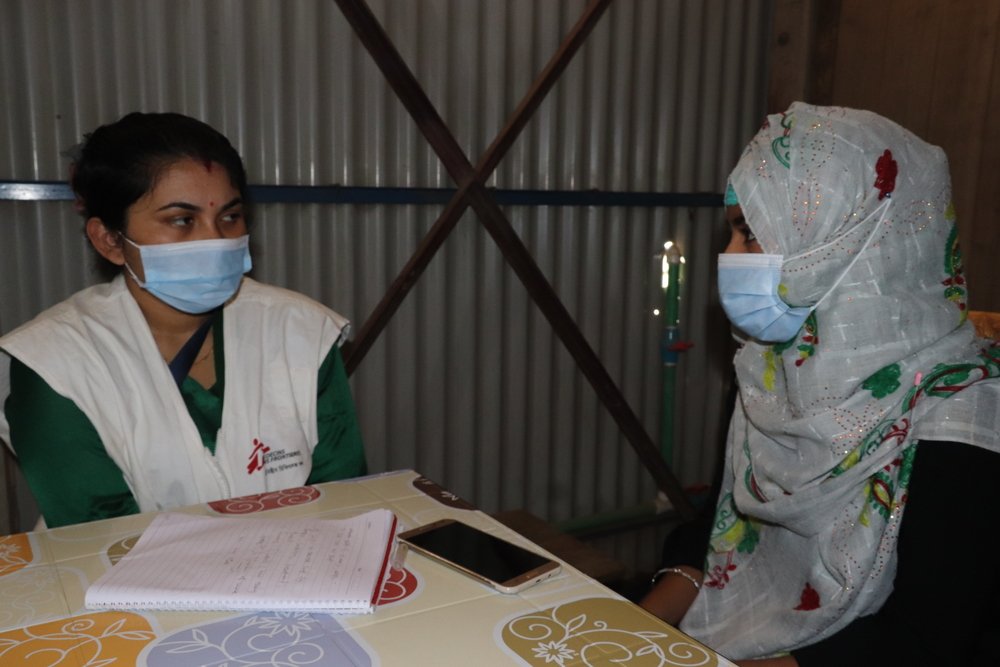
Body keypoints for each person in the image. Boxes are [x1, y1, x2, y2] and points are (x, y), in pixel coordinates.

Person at [639, 102, 1000, 665]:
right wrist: (636, 627)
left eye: (750, 236)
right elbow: (715, 529)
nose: (728, 257)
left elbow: (924, 640)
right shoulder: (771, 369)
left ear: (846, 245)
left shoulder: (963, 416)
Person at [0, 112, 366, 529]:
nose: (214, 240)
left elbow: (340, 499)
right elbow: (98, 534)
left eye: (229, 217)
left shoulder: (301, 330)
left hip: (303, 577)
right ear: (110, 240)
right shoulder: (52, 362)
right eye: (181, 220)